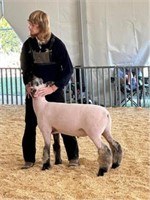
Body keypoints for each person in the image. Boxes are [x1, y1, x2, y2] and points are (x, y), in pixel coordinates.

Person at [20, 10, 79, 169]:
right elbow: (25, 69)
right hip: (34, 93)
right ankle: (29, 159)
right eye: (30, 23)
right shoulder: (28, 45)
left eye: (33, 24)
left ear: (41, 25)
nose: (29, 27)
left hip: (54, 91)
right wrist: (28, 84)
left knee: (65, 123)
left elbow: (68, 70)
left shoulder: (57, 44)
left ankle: (73, 157)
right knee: (30, 123)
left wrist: (53, 88)